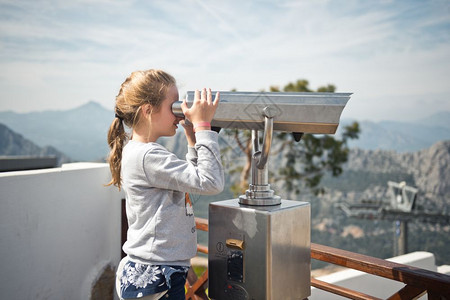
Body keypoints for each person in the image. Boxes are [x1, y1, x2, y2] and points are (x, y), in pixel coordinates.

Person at [106, 69, 224, 299]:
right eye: (174, 106)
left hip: (154, 271)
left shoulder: (140, 152)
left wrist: (192, 140)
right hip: (157, 278)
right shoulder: (148, 156)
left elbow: (189, 181)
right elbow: (210, 182)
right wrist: (203, 127)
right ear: (148, 111)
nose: (179, 114)